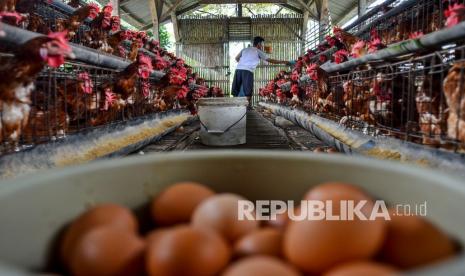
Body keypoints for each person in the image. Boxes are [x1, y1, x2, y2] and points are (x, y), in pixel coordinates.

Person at [232, 36, 293, 105]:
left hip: (238, 69)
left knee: (236, 90)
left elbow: (236, 58)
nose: (262, 46)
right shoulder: (258, 51)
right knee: (248, 91)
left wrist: (243, 63)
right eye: (262, 44)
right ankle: (247, 108)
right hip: (247, 71)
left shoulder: (245, 49)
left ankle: (235, 107)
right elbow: (270, 60)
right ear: (259, 44)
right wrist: (283, 62)